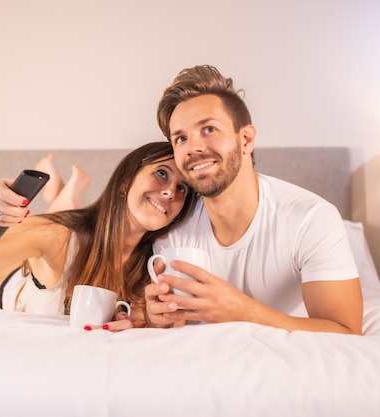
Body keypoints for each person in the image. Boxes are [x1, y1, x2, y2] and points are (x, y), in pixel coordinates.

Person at [145, 65, 363, 335]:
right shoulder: (173, 229)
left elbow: (346, 331)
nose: (193, 148)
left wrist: (242, 311)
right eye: (180, 138)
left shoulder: (310, 219)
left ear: (246, 139)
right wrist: (159, 318)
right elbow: (176, 321)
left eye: (209, 129)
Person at [0, 142, 197, 331]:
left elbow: (172, 320)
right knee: (58, 232)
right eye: (162, 173)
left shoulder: (158, 257)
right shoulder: (58, 235)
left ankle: (63, 193)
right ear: (126, 180)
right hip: (12, 284)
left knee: (73, 224)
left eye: (183, 188)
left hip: (79, 234)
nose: (171, 192)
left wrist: (143, 321)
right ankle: (62, 196)